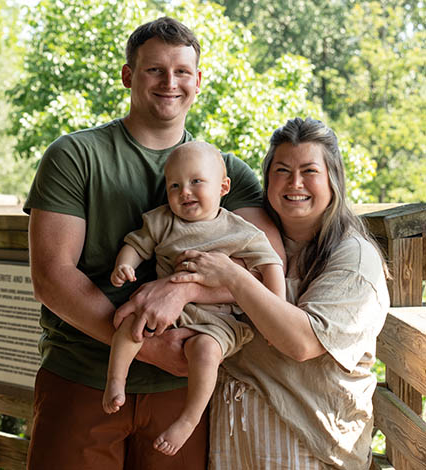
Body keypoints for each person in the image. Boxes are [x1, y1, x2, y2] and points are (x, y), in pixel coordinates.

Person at [24, 17, 285, 470]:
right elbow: (52, 276)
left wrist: (183, 289)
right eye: (154, 70)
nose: (170, 83)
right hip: (84, 375)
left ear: (198, 81)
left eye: (182, 71)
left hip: (183, 391)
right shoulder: (75, 155)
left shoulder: (226, 172)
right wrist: (148, 346)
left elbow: (269, 269)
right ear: (128, 75)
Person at [172, 117, 390, 470]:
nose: (295, 183)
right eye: (282, 170)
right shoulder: (242, 237)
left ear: (334, 178)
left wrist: (232, 278)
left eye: (309, 171)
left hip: (310, 447)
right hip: (236, 440)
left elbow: (300, 342)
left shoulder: (354, 258)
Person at [103, 140, 286, 457]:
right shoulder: (162, 221)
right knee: (131, 324)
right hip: (166, 311)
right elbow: (137, 244)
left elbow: (271, 264)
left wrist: (276, 316)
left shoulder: (240, 231)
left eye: (196, 182)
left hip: (218, 320)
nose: (184, 191)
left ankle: (189, 419)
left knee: (205, 352)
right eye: (174, 185)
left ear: (223, 186)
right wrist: (125, 264)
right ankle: (116, 380)